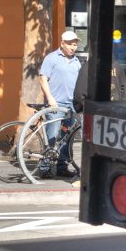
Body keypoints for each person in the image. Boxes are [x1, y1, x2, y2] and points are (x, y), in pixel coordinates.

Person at [39, 30, 82, 177]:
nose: (73, 47)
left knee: (67, 136)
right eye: (70, 44)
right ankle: (44, 168)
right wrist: (50, 98)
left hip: (71, 105)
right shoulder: (52, 58)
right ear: (62, 44)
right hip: (55, 105)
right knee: (52, 136)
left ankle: (62, 167)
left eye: (75, 44)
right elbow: (43, 79)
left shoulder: (76, 61)